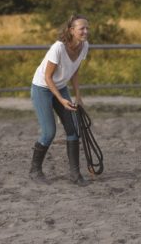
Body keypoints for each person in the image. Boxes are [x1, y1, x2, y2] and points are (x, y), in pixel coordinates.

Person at [28, 14, 90, 186]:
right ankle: (35, 170)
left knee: (73, 129)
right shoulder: (58, 48)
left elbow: (75, 71)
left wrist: (78, 96)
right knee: (49, 132)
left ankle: (75, 174)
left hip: (61, 86)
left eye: (87, 28)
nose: (85, 31)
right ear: (71, 30)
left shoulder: (84, 46)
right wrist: (62, 100)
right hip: (42, 88)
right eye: (82, 29)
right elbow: (48, 77)